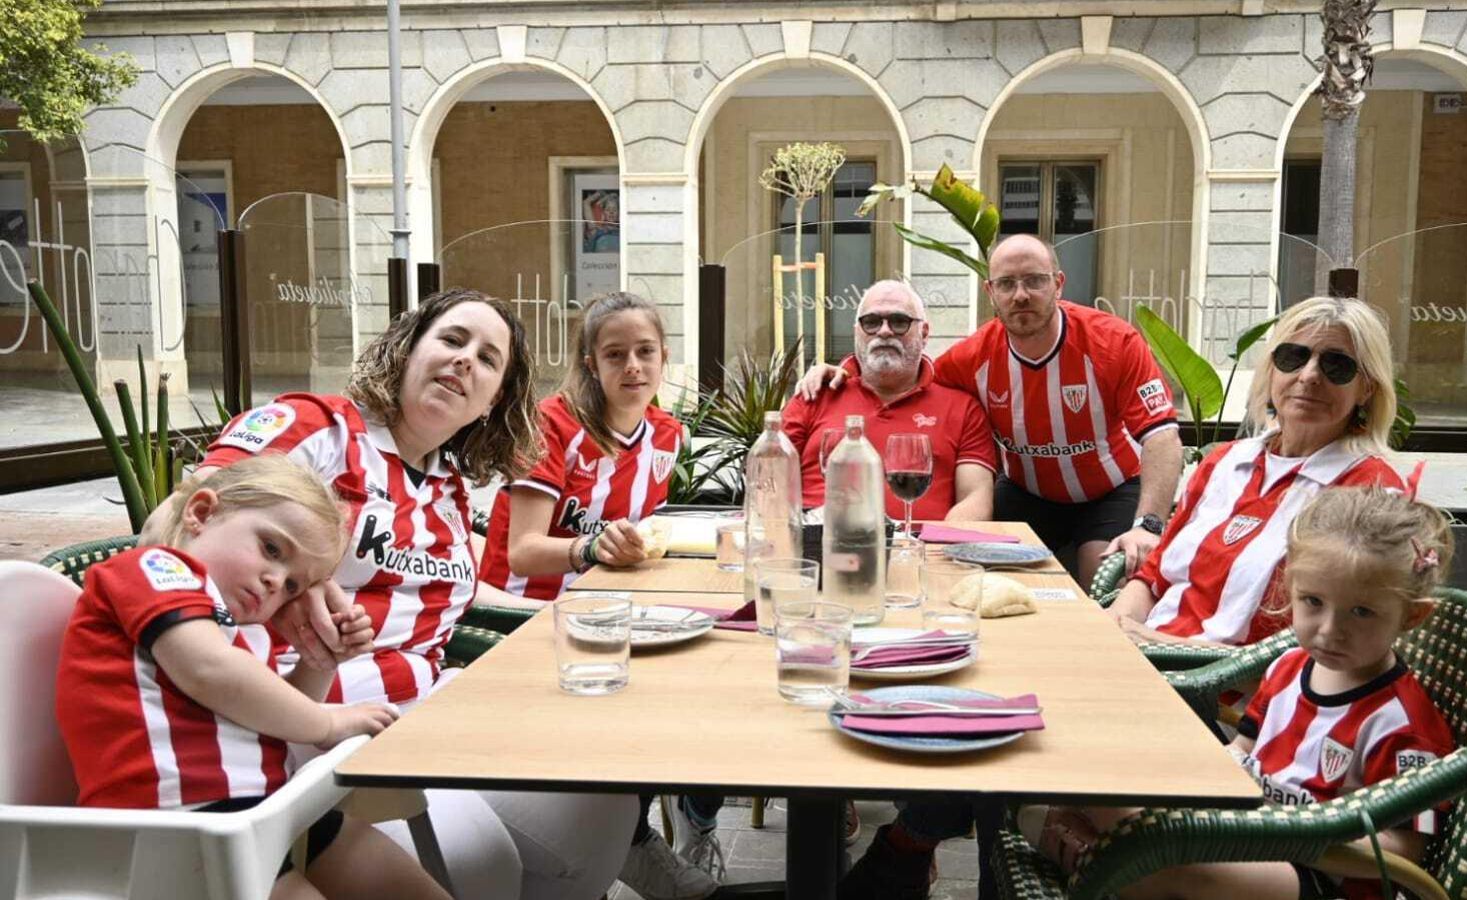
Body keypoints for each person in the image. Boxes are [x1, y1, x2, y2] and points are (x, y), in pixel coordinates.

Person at [146, 288, 637, 900]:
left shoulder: (446, 488)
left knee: (603, 805)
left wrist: (557, 613)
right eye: (452, 339)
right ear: (406, 350)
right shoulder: (319, 430)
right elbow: (176, 520)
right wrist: (299, 588)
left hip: (430, 706)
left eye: (488, 359)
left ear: (494, 400)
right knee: (483, 864)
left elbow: (457, 595)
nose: (465, 360)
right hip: (312, 723)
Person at [1022, 485, 1457, 900]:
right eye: (1312, 602)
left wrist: (1294, 831)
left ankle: (1089, 858)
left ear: (1412, 616)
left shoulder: (1404, 727)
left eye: (1361, 612)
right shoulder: (1289, 667)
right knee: (1107, 783)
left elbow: (1405, 851)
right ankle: (1110, 857)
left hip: (1319, 875)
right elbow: (1243, 750)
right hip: (1244, 832)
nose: (1329, 630)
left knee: (1171, 861)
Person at [58, 455, 451, 900]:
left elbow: (270, 722)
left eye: (293, 586)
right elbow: (209, 671)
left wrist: (321, 660)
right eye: (271, 549)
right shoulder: (155, 569)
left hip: (258, 813)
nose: (275, 582)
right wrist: (328, 722)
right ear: (202, 513)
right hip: (174, 829)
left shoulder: (238, 630)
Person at [479, 290, 722, 900]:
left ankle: (653, 828)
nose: (632, 367)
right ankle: (631, 846)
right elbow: (522, 551)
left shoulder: (667, 434)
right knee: (647, 700)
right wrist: (590, 548)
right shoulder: (550, 426)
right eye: (615, 354)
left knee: (703, 673)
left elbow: (640, 538)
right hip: (526, 616)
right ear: (590, 362)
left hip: (608, 613)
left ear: (664, 357)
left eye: (645, 352)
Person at [801, 234, 1183, 579]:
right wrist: (850, 371)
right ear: (990, 291)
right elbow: (907, 373)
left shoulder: (1114, 342)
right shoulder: (973, 356)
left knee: (1103, 572)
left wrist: (1148, 526)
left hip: (1110, 490)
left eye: (1034, 280)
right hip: (1025, 493)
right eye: (1007, 283)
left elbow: (1163, 436)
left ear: (1058, 284)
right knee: (988, 576)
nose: (1021, 295)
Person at [1108, 296, 1405, 648]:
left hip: (1224, 677)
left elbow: (1320, 646)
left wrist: (1154, 643)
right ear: (1272, 369)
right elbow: (1153, 575)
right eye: (1293, 357)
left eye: (1337, 365)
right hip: (1144, 652)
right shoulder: (1225, 462)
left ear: (1367, 388)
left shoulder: (1370, 493)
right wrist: (1114, 628)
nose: (1309, 376)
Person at [780, 279, 995, 521]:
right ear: (856, 332)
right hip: (820, 539)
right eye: (871, 322)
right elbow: (770, 480)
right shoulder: (815, 394)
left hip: (921, 543)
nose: (884, 331)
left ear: (924, 333)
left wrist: (939, 543)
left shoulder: (963, 408)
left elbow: (976, 497)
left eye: (899, 321)